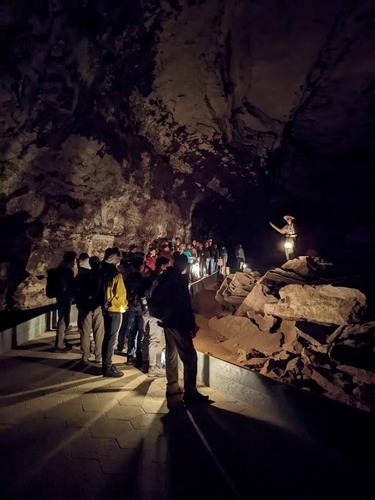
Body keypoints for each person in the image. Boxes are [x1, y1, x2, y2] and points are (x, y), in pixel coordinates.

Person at [150, 253, 209, 404]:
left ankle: (172, 386)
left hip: (167, 321)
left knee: (171, 352)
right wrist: (191, 325)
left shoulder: (165, 277)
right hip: (178, 322)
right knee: (190, 357)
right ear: (184, 265)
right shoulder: (179, 280)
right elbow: (184, 305)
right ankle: (190, 392)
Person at [141, 256, 170, 377]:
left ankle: (145, 363)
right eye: (167, 265)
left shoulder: (148, 276)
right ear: (162, 266)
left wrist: (145, 308)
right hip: (154, 313)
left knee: (146, 338)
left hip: (145, 312)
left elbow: (142, 295)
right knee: (154, 340)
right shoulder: (158, 280)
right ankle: (152, 368)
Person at [101, 247, 127, 377]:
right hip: (115, 310)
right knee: (112, 339)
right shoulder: (116, 275)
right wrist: (124, 305)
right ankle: (107, 367)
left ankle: (106, 364)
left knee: (107, 338)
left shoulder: (102, 271)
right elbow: (121, 296)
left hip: (105, 309)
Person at [73, 255, 104, 364]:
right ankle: (98, 356)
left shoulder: (83, 276)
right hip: (98, 307)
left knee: (85, 333)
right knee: (99, 333)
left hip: (85, 307)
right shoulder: (101, 276)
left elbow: (76, 291)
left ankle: (85, 355)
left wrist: (80, 305)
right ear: (99, 264)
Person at [54, 251, 76, 352]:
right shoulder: (67, 271)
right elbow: (70, 286)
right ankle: (59, 344)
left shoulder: (60, 268)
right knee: (63, 319)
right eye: (74, 260)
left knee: (63, 318)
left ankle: (61, 341)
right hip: (65, 297)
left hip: (60, 296)